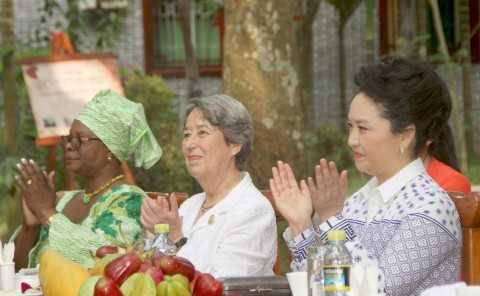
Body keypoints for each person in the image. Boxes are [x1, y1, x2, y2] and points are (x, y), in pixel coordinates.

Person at [270, 57, 462, 296]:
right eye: (350, 126)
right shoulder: (358, 202)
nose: (351, 140)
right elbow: (323, 288)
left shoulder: (431, 207)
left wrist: (332, 218)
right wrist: (301, 225)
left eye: (363, 128)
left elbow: (378, 290)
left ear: (405, 135)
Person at [13, 89, 162, 269]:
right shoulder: (62, 200)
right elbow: (15, 271)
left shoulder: (131, 201)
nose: (69, 146)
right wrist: (31, 227)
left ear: (110, 148)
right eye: (68, 139)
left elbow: (106, 263)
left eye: (80, 139)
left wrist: (46, 213)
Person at [141, 94, 277, 277]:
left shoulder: (253, 210)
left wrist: (174, 237)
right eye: (187, 134)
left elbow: (221, 285)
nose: (189, 144)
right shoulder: (190, 206)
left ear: (235, 144)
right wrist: (155, 235)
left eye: (202, 133)